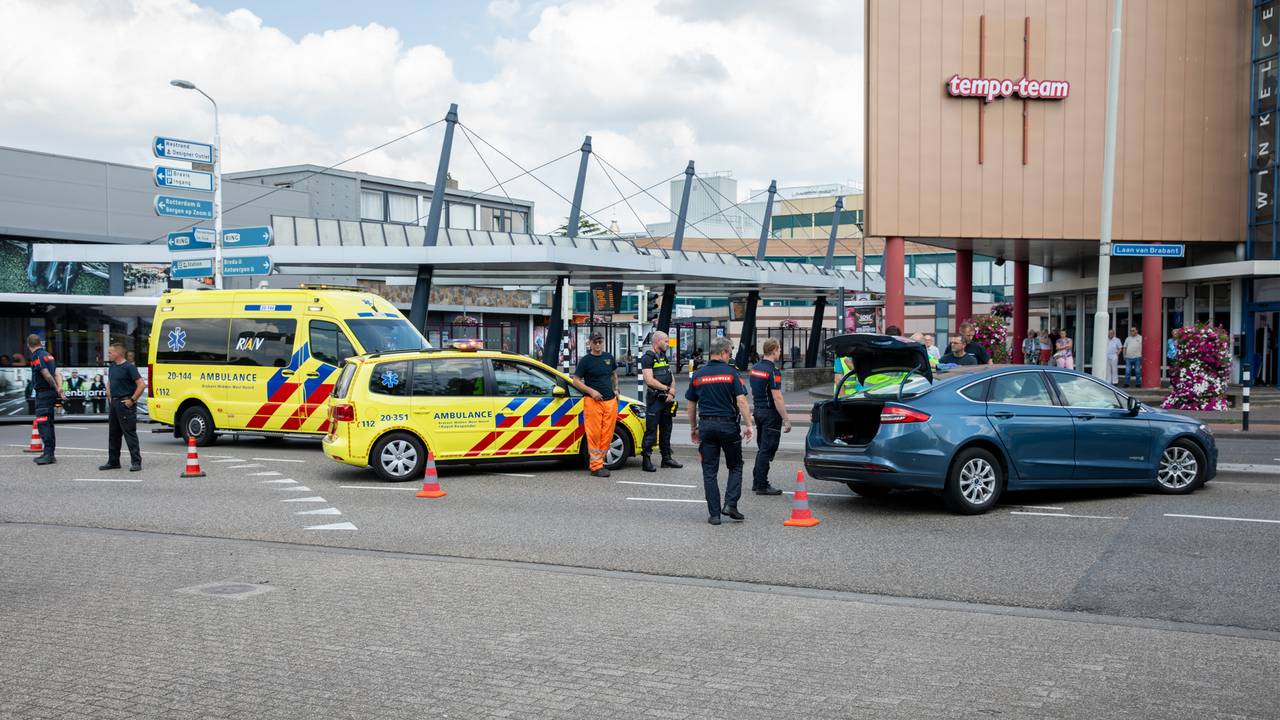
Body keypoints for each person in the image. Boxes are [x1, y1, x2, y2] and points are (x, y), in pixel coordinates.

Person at [686, 336, 753, 525]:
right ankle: (730, 504)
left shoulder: (698, 375)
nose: (730, 356)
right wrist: (749, 425)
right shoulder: (732, 373)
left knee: (709, 471)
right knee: (736, 466)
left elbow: (691, 405)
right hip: (728, 426)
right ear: (723, 352)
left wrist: (693, 428)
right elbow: (741, 400)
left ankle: (714, 515)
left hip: (706, 427)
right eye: (729, 353)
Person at [570, 331, 619, 478]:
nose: (598, 345)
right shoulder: (585, 361)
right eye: (595, 342)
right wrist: (591, 392)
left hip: (610, 401)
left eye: (600, 341)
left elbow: (614, 374)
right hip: (593, 402)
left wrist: (616, 389)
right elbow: (576, 380)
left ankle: (600, 463)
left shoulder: (608, 358)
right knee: (594, 434)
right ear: (589, 343)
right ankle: (596, 466)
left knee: (607, 434)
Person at [748, 338, 790, 496]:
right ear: (773, 351)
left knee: (762, 449)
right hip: (770, 413)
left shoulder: (755, 368)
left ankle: (756, 481)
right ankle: (761, 485)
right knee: (767, 449)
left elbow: (753, 390)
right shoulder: (773, 371)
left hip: (758, 411)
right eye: (779, 349)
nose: (780, 352)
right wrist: (786, 419)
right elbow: (777, 397)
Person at [639, 331, 682, 473]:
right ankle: (646, 461)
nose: (668, 344)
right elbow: (649, 380)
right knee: (651, 431)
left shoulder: (663, 356)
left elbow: (670, 375)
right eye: (666, 341)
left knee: (666, 430)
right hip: (655, 400)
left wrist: (672, 391)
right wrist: (667, 389)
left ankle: (666, 459)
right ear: (657, 341)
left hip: (666, 400)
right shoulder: (647, 358)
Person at [99, 341, 145, 472]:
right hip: (114, 403)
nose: (108, 354)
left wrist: (132, 400)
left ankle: (136, 462)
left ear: (118, 353)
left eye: (110, 352)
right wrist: (108, 391)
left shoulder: (129, 367)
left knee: (129, 433)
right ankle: (113, 462)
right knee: (113, 434)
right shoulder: (112, 367)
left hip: (125, 404)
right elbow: (109, 382)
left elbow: (141, 384)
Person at [26, 334, 64, 465]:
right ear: (40, 343)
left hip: (44, 394)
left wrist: (55, 387)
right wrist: (59, 389)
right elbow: (57, 373)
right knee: (49, 423)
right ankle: (49, 453)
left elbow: (46, 374)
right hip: (50, 393)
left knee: (43, 424)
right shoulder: (49, 355)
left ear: (28, 345)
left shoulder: (37, 356)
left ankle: (48, 454)